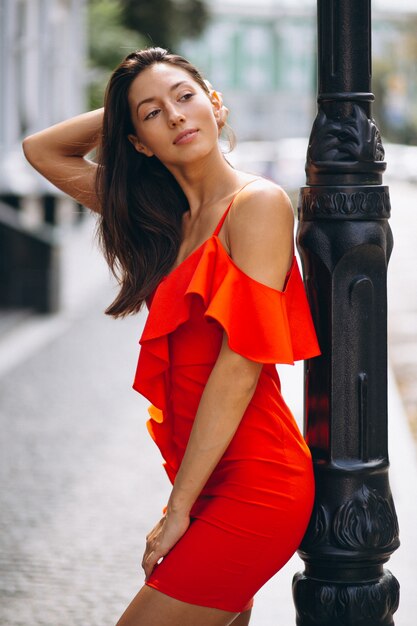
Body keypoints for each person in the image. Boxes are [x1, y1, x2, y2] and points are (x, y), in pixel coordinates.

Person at [23, 47, 321, 626]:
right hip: (204, 477)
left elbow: (240, 367)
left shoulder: (256, 205)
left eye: (185, 98)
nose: (177, 116)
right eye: (153, 114)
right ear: (136, 141)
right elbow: (43, 151)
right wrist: (127, 104)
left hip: (257, 483)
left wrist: (177, 508)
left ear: (215, 103)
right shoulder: (159, 219)